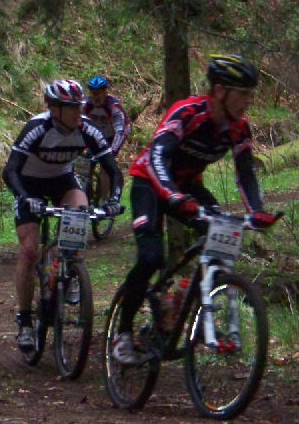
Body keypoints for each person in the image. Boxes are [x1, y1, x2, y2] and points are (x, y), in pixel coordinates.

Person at [112, 55, 278, 364]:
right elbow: (157, 157)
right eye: (242, 93)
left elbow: (245, 174)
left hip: (188, 186)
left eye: (251, 94)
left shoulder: (239, 128)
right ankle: (122, 333)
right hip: (149, 182)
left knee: (221, 234)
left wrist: (256, 211)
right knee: (151, 258)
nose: (248, 101)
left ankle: (178, 309)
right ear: (219, 91)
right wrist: (172, 195)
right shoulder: (187, 112)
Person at [2, 79, 124, 352]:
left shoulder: (86, 129)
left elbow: (113, 170)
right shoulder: (38, 128)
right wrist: (25, 197)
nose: (77, 113)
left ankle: (69, 269)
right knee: (30, 250)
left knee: (79, 217)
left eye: (79, 107)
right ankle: (24, 321)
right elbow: (10, 170)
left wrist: (113, 201)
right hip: (28, 183)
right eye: (70, 108)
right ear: (54, 109)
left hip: (62, 180)